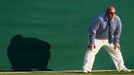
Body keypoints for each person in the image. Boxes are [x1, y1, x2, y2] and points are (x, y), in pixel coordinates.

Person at [82, 6, 131, 73]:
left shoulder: (117, 19)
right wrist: (91, 42)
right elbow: (92, 31)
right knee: (91, 51)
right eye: (111, 13)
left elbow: (117, 32)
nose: (113, 15)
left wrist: (116, 42)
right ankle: (86, 69)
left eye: (114, 13)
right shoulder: (99, 19)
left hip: (109, 39)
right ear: (107, 12)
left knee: (116, 51)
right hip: (96, 39)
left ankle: (121, 68)